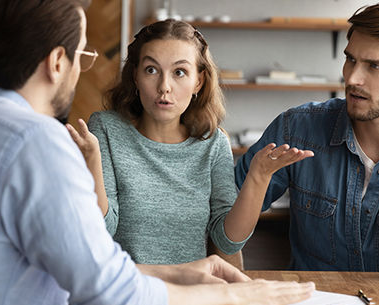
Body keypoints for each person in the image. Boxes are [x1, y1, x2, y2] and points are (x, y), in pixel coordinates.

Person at [0, 0, 315, 305]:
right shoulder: (37, 143)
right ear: (58, 62)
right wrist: (233, 296)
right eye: (82, 54)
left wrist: (183, 272)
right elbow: (116, 299)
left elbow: (91, 267)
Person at [235, 0, 379, 278]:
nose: (352, 78)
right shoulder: (297, 129)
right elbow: (223, 216)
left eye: (374, 66)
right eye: (350, 59)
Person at [67, 19, 313, 266]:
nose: (164, 87)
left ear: (199, 81)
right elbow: (101, 230)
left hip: (193, 293)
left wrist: (259, 177)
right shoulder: (106, 129)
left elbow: (227, 241)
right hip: (130, 291)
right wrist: (91, 160)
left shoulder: (214, 143)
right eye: (151, 70)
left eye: (179, 72)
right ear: (135, 76)